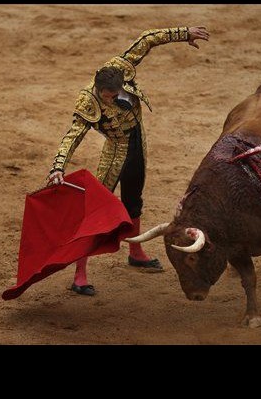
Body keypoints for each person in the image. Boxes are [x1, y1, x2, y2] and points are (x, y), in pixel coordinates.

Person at [46, 26, 210, 295]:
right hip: (115, 151)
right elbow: (72, 136)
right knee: (96, 210)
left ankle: (136, 251)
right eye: (107, 96)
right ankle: (80, 274)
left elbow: (147, 39)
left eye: (114, 94)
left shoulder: (119, 68)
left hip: (137, 142)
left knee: (134, 199)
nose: (110, 98)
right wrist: (57, 167)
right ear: (99, 89)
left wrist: (184, 33)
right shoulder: (88, 101)